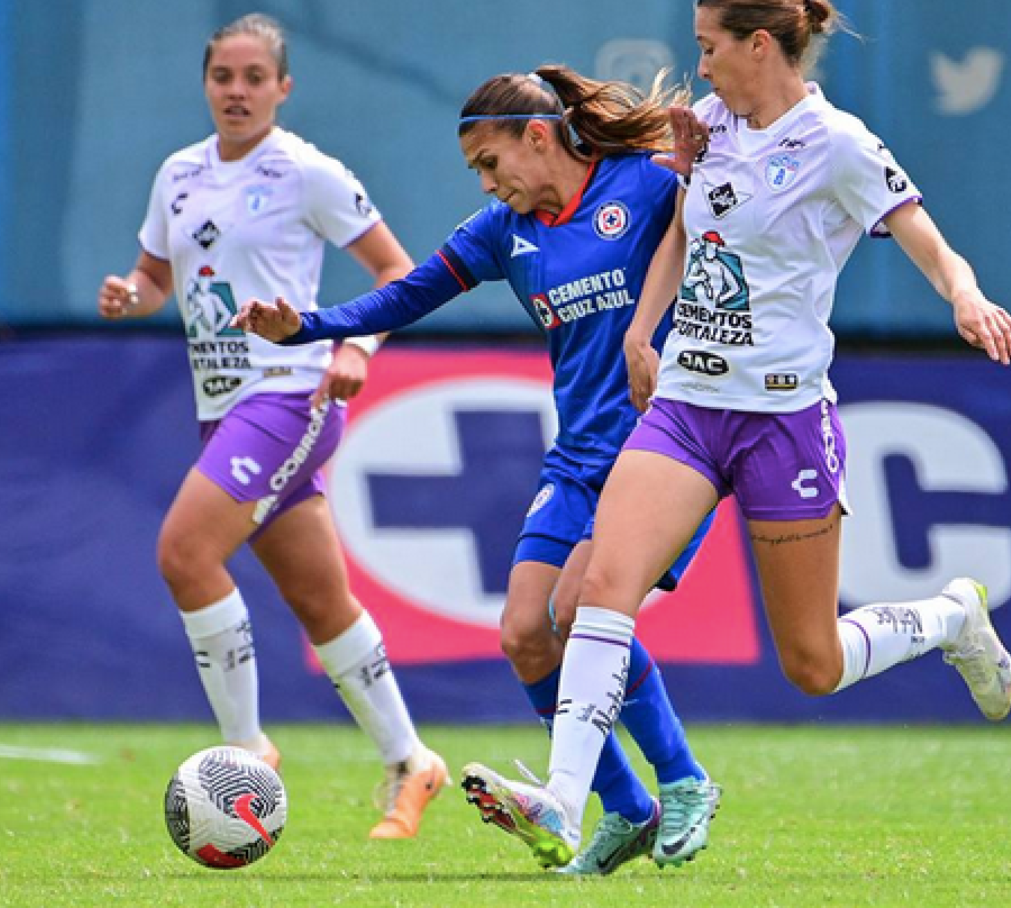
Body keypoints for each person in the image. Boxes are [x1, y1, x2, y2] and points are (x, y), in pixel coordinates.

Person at [460, 0, 1011, 866]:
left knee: (812, 665)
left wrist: (966, 297)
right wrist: (643, 336)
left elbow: (925, 234)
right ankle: (564, 802)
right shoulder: (711, 128)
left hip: (782, 420)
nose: (700, 64)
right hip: (687, 406)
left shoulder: (837, 143)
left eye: (709, 46)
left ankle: (950, 618)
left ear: (759, 45)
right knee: (602, 591)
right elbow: (683, 231)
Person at [231, 65, 722, 873]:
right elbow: (407, 294)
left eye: (491, 164)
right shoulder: (503, 233)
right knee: (525, 635)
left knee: (578, 609)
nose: (490, 186)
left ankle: (684, 780)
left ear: (538, 135)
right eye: (477, 176)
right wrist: (308, 328)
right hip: (577, 460)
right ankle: (629, 809)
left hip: (663, 451)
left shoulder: (643, 185)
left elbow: (733, 210)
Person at [97, 13, 447, 840]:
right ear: (206, 83)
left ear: (283, 89)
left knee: (184, 555)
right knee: (321, 601)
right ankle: (411, 762)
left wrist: (356, 344)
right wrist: (130, 296)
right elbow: (154, 276)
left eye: (256, 78)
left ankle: (245, 752)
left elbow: (397, 270)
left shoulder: (306, 173)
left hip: (289, 394)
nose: (238, 92)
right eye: (224, 76)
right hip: (222, 405)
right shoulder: (178, 175)